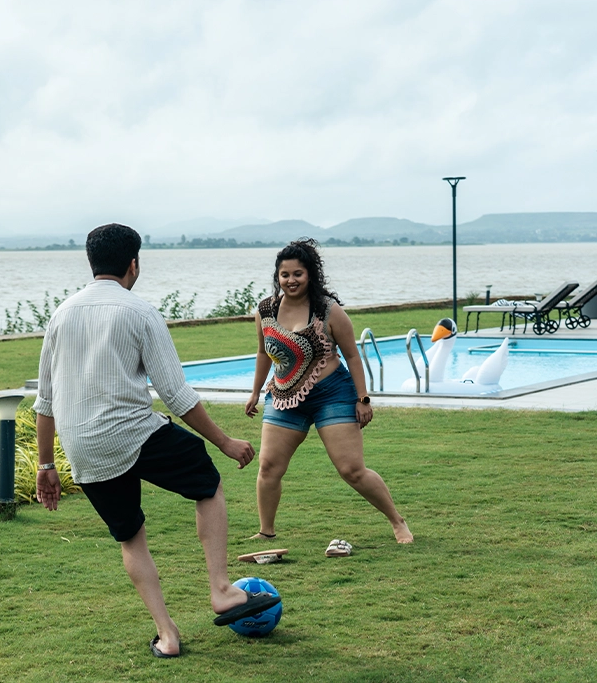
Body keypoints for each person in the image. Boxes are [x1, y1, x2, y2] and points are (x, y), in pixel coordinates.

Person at [34, 223, 280, 659]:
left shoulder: (61, 314)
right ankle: (222, 590)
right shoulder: (139, 311)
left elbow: (46, 402)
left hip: (83, 447)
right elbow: (177, 394)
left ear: (92, 263)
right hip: (132, 431)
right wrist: (224, 441)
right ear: (134, 263)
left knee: (132, 537)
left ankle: (167, 636)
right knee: (207, 484)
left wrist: (46, 466)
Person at [244, 239, 413, 545]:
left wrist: (363, 399)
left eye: (298, 274)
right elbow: (261, 353)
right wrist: (255, 392)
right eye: (285, 274)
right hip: (283, 396)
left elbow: (352, 356)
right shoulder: (265, 311)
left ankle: (397, 521)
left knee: (352, 470)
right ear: (277, 276)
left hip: (331, 394)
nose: (291, 280)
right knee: (269, 467)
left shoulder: (328, 310)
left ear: (310, 275)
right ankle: (266, 531)